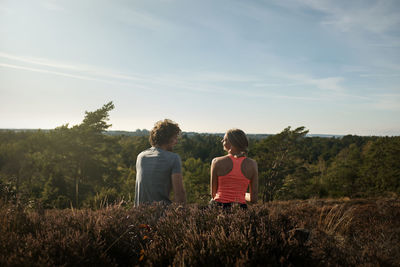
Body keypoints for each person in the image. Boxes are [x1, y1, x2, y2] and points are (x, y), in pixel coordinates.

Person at [134, 119, 186, 206]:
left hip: (139, 215)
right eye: (175, 138)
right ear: (167, 138)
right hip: (162, 215)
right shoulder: (173, 158)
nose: (176, 142)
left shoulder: (141, 156)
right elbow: (179, 193)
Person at [210, 129, 258, 209]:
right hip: (240, 209)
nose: (222, 141)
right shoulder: (252, 164)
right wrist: (241, 194)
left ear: (232, 143)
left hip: (218, 207)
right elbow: (254, 199)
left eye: (225, 139)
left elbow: (213, 194)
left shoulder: (216, 162)